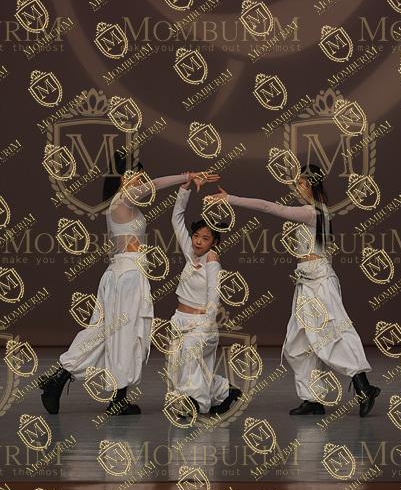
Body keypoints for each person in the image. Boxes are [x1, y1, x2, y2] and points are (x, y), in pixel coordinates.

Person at [38, 151, 218, 416]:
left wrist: (185, 184)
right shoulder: (124, 198)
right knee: (125, 334)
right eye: (138, 176)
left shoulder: (116, 203)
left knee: (102, 333)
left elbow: (117, 243)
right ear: (124, 176)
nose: (142, 181)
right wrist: (187, 177)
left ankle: (60, 378)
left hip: (117, 275)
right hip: (128, 276)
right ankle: (116, 398)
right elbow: (155, 185)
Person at [207, 164, 380, 417]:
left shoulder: (313, 212)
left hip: (319, 281)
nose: (296, 186)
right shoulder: (317, 211)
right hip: (307, 281)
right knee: (297, 345)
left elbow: (268, 207)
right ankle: (313, 398)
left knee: (332, 333)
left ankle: (363, 386)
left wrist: (231, 198)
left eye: (300, 182)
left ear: (311, 184)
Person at [165, 174, 241, 417]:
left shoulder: (212, 260)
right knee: (178, 368)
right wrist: (184, 190)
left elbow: (213, 294)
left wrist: (207, 325)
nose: (198, 241)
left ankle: (196, 404)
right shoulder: (191, 253)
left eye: (205, 238)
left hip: (201, 324)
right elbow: (176, 220)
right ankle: (224, 391)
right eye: (196, 235)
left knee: (190, 360)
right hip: (180, 320)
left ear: (214, 242)